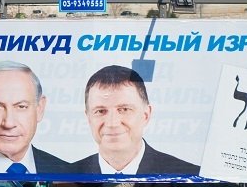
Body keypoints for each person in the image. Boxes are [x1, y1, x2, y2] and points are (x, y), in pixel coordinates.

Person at [70, 65, 199, 175]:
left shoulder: (192, 177)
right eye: (100, 111)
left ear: (146, 115)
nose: (112, 123)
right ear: (88, 118)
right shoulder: (64, 177)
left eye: (124, 109)